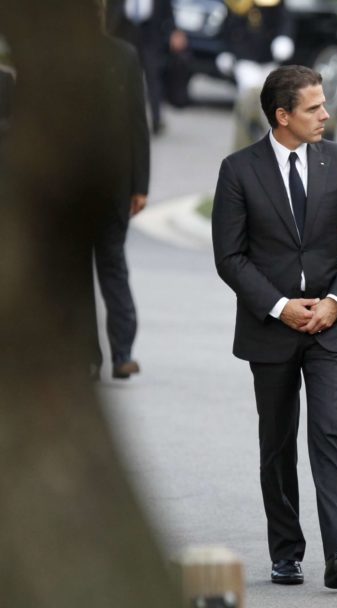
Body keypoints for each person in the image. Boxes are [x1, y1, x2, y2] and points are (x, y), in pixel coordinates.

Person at [212, 65, 337, 589]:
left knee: (330, 430)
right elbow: (230, 257)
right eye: (313, 108)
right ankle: (287, 550)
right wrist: (281, 306)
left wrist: (334, 301)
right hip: (272, 327)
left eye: (324, 105)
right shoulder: (238, 170)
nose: (326, 115)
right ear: (282, 116)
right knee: (278, 441)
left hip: (333, 324)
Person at [92, 13, 150, 381]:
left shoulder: (124, 56)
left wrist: (140, 185)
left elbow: (136, 122)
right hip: (103, 184)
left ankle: (111, 354)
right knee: (110, 266)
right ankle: (115, 353)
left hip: (107, 184)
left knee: (102, 265)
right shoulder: (122, 54)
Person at [216, 0, 296, 149]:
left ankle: (274, 146)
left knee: (271, 104)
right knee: (249, 97)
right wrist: (225, 50)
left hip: (268, 60)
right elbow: (227, 26)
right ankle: (244, 146)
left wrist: (284, 37)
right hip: (245, 58)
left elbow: (285, 20)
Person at [105, 0, 187, 135]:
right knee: (123, 78)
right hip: (126, 32)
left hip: (150, 35)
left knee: (153, 77)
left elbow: (167, 9)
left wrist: (174, 31)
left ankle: (156, 120)